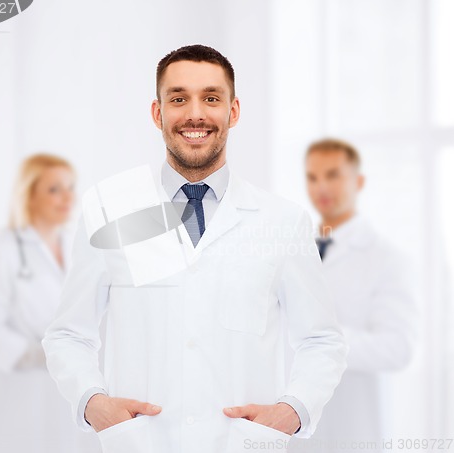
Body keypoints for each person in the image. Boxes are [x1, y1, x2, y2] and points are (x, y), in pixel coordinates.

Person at [42, 45, 348, 453]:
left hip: (245, 444)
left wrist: (293, 411)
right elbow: (68, 333)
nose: (195, 114)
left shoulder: (282, 221)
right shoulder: (109, 211)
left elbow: (321, 340)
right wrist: (93, 402)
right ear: (158, 113)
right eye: (178, 98)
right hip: (141, 442)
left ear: (233, 111)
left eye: (211, 98)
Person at [0, 154, 101, 453]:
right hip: (24, 394)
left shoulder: (79, 246)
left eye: (70, 187)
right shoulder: (1, 250)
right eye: (54, 190)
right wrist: (34, 355)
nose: (67, 197)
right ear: (29, 196)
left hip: (72, 392)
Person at [290, 138, 418, 452]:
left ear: (358, 181)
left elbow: (398, 348)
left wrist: (323, 341)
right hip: (295, 418)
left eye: (333, 175)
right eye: (312, 177)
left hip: (353, 422)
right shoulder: (295, 248)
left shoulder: (386, 257)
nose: (321, 187)